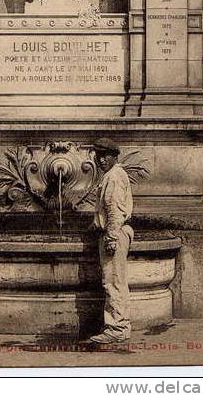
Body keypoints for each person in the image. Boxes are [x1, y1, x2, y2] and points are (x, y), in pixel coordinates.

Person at [89, 137, 134, 344]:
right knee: (116, 281)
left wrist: (111, 238)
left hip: (114, 233)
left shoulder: (113, 176)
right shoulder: (115, 174)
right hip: (116, 231)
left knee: (113, 282)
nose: (100, 160)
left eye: (105, 156)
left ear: (114, 156)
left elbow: (113, 210)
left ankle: (117, 328)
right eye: (98, 155)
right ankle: (119, 326)